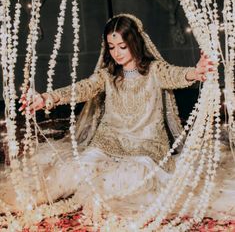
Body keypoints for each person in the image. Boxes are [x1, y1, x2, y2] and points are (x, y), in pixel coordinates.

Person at [1, 14, 234, 227]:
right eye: (111, 47)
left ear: (135, 43)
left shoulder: (154, 71)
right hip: (108, 141)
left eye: (122, 46)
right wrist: (46, 98)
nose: (117, 53)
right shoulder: (108, 75)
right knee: (74, 170)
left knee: (129, 179)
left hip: (145, 145)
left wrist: (196, 71)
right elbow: (83, 88)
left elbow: (175, 75)